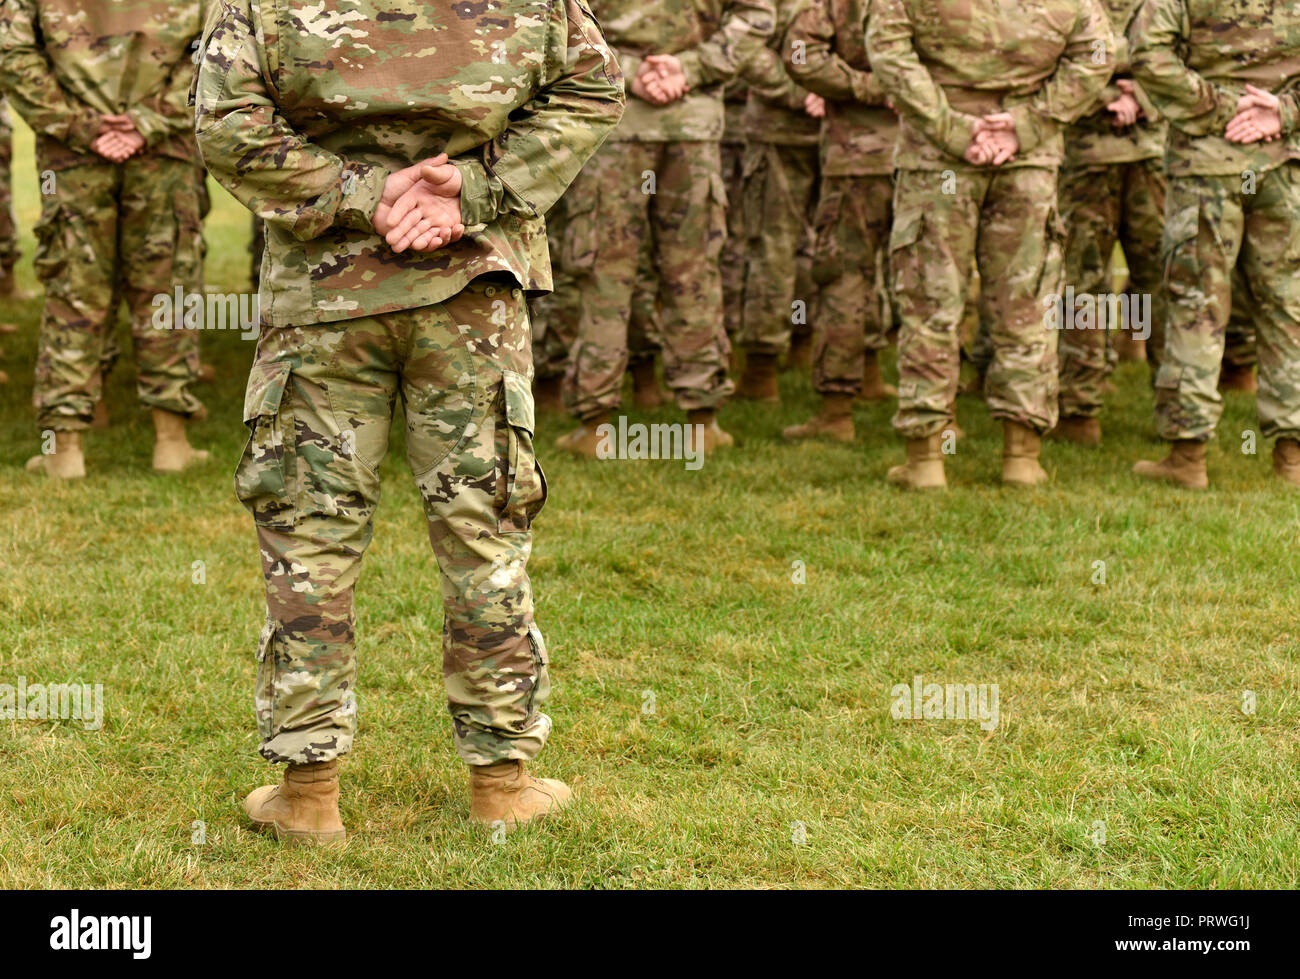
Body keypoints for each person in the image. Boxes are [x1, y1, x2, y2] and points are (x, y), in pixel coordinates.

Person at [194, 0, 625, 840]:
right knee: (484, 532)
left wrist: (359, 193)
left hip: (325, 297)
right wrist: (473, 188)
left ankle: (310, 796)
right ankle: (501, 783)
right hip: (472, 292)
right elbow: (593, 84)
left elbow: (225, 116)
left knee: (310, 541)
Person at [867, 0, 1111, 489]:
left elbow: (888, 50)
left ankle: (926, 461)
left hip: (936, 164)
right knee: (1027, 306)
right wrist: (1026, 125)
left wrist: (953, 128)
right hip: (1027, 164)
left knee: (930, 304)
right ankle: (1021, 458)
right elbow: (1099, 53)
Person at [555, 0, 776, 457]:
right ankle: (702, 421)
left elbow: (556, 16)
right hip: (690, 122)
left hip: (613, 120)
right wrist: (689, 66)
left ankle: (595, 424)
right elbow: (756, 17)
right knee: (693, 271)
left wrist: (629, 69)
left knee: (604, 271)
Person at [0, 0, 209, 479]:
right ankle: (171, 442)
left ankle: (65, 450)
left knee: (73, 287)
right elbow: (217, 49)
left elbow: (12, 54)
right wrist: (150, 121)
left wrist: (79, 125)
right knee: (169, 289)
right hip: (166, 151)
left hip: (71, 156)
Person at [1131, 0, 1300, 489]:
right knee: (1289, 308)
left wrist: (1218, 106)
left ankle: (1189, 456)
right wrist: (1283, 113)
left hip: (1207, 165)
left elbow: (1147, 53)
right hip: (1283, 166)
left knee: (1197, 306)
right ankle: (1291, 457)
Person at [782, 0, 900, 443]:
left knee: (843, 278)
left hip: (858, 154)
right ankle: (940, 420)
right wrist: (903, 88)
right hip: (933, 153)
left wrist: (867, 86)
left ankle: (837, 414)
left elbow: (799, 53)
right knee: (934, 285)